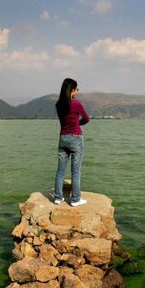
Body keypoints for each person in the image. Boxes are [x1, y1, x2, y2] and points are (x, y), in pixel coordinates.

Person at [53, 78, 89, 206]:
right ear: (72, 90)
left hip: (63, 138)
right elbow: (86, 118)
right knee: (75, 171)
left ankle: (58, 197)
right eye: (76, 89)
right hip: (75, 137)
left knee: (60, 170)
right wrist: (77, 124)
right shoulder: (76, 104)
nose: (77, 91)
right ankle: (75, 199)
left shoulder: (58, 104)